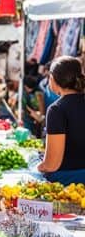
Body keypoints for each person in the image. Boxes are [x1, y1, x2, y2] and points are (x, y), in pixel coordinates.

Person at [37, 56, 85, 185]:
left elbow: (51, 165)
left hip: (70, 182)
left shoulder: (57, 109)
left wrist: (37, 167)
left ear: (53, 79)